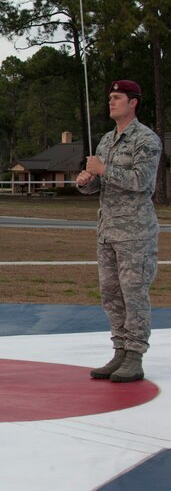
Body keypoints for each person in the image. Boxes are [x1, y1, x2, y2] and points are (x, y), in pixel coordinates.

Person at [77, 80, 162, 383]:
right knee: (111, 295)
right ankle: (120, 351)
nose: (111, 102)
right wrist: (88, 181)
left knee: (134, 294)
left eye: (117, 98)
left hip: (135, 233)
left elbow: (142, 181)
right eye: (110, 98)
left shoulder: (146, 140)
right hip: (108, 231)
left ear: (133, 102)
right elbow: (101, 185)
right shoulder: (106, 141)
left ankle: (135, 357)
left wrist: (103, 169)